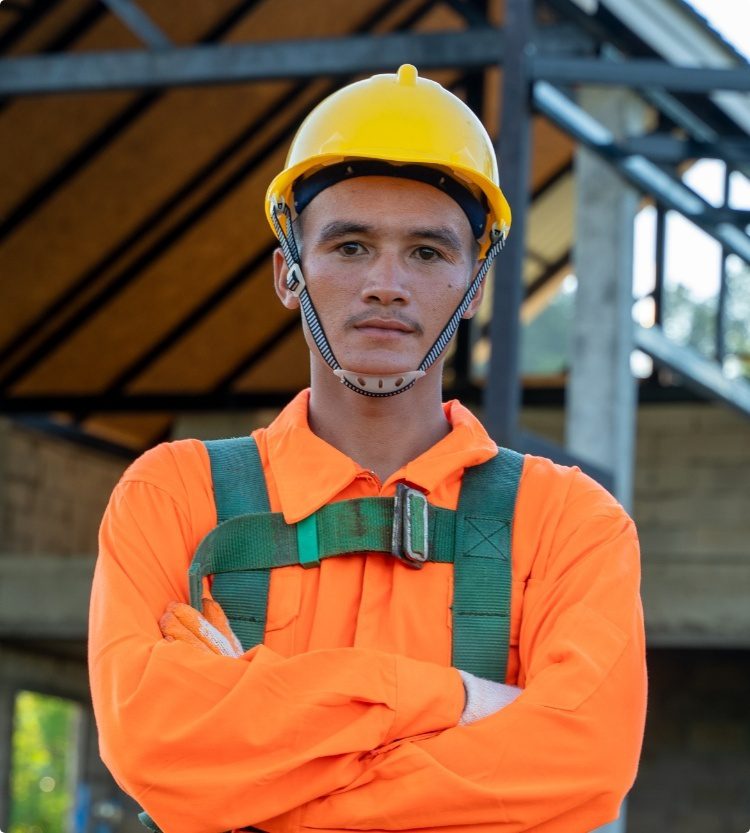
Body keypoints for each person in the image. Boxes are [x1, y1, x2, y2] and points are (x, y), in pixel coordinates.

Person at [89, 65, 647, 833]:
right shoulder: (176, 496)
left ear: (475, 285)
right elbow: (154, 742)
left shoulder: (570, 524)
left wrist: (252, 771)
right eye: (350, 246)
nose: (387, 283)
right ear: (290, 273)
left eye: (427, 252)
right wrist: (456, 700)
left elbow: (585, 762)